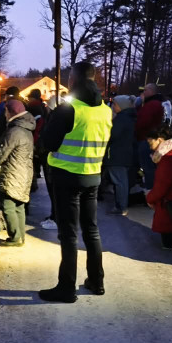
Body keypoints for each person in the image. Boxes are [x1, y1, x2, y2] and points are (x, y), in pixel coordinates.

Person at [38, 61, 112, 302]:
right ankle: (96, 280)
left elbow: (48, 142)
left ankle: (66, 287)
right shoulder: (105, 109)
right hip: (92, 175)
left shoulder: (68, 109)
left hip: (66, 175)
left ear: (74, 80)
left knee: (68, 233)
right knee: (91, 230)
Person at [0, 99, 36, 247]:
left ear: (11, 112)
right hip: (24, 171)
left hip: (12, 172)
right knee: (19, 205)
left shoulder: (14, 131)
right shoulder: (26, 129)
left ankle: (14, 237)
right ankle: (20, 236)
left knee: (8, 205)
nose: (4, 115)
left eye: (5, 112)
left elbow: (2, 151)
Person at [104, 95, 136, 216]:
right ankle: (120, 205)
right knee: (121, 181)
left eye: (115, 104)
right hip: (124, 154)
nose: (113, 107)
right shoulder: (128, 117)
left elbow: (112, 135)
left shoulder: (121, 119)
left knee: (120, 181)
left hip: (117, 155)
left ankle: (121, 206)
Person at [135, 83, 165, 190]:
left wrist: (135, 127)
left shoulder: (152, 105)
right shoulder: (150, 103)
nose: (143, 92)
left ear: (152, 91)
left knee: (148, 167)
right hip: (147, 138)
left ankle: (151, 190)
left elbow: (143, 122)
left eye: (146, 90)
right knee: (149, 166)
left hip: (146, 139)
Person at [25, 88, 50, 193]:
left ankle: (32, 183)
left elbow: (32, 124)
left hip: (34, 138)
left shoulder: (32, 107)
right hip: (41, 138)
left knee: (32, 163)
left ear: (32, 98)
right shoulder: (43, 107)